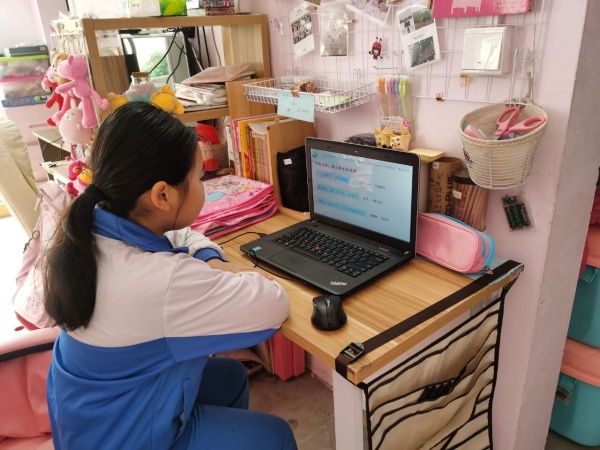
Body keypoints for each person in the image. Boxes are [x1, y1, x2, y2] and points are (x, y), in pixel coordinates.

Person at [43, 101, 297, 449]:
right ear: (162, 195)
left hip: (93, 419)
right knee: (275, 436)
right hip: (123, 439)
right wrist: (222, 271)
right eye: (200, 178)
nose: (203, 185)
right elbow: (273, 304)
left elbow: (181, 235)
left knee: (230, 376)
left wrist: (211, 260)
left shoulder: (95, 226)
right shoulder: (157, 282)